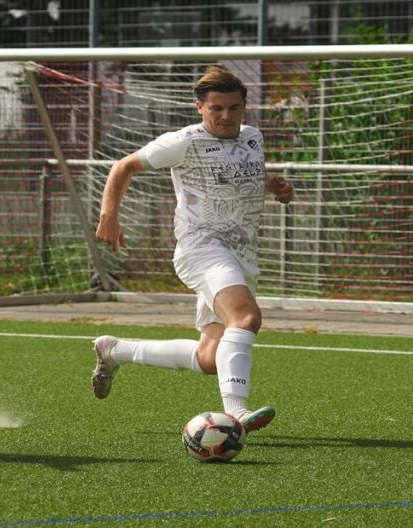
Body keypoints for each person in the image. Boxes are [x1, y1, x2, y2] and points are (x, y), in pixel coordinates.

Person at [92, 65, 293, 434]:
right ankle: (235, 414)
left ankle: (114, 350)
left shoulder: (252, 137)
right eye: (216, 108)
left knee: (210, 358)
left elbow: (238, 179)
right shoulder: (184, 141)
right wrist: (109, 215)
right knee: (246, 318)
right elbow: (123, 167)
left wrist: (273, 186)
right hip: (202, 248)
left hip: (242, 253)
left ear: (244, 107)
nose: (226, 116)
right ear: (199, 107)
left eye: (234, 108)